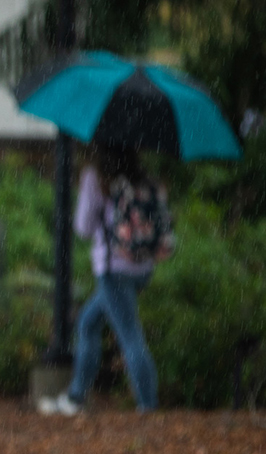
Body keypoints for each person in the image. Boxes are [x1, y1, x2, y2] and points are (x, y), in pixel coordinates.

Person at [42, 145, 173, 416]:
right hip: (142, 268)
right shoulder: (139, 176)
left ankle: (148, 406)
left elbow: (83, 227)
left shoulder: (97, 177)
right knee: (88, 323)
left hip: (114, 269)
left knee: (130, 337)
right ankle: (76, 397)